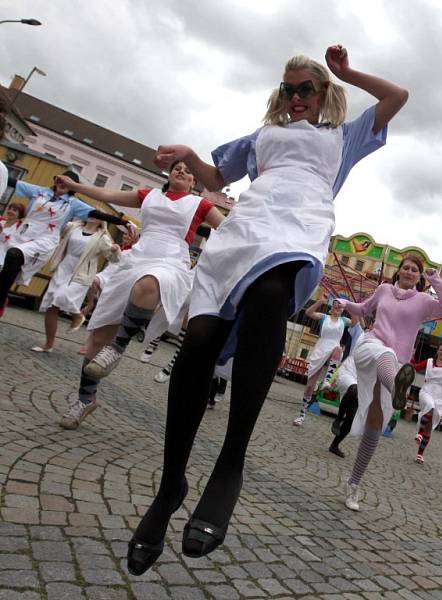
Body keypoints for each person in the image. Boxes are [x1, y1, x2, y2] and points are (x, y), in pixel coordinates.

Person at [126, 46, 407, 575]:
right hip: (245, 227)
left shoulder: (343, 137)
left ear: (324, 94)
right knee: (202, 339)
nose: (296, 97)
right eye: (288, 89)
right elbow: (213, 179)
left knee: (272, 296)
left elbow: (398, 96)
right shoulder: (261, 137)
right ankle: (170, 485)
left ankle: (230, 463)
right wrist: (188, 150)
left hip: (299, 223)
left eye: (307, 88)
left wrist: (346, 73)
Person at [54, 162, 224, 429]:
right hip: (137, 256)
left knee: (149, 284)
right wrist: (74, 186)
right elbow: (107, 195)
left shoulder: (199, 205)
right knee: (98, 335)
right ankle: (85, 400)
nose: (181, 171)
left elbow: (230, 227)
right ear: (169, 175)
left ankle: (119, 347)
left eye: (188, 170)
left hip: (170, 261)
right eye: (177, 167)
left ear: (194, 181)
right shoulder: (149, 195)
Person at [339, 254, 442, 510]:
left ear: (419, 276)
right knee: (385, 353)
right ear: (399, 271)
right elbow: (361, 309)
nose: (410, 272)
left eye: (415, 270)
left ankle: (354, 483)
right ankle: (397, 388)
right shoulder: (383, 290)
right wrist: (343, 302)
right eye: (406, 267)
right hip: (371, 346)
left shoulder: (423, 301)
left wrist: (436, 282)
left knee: (375, 424)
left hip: (396, 364)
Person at [0, 172, 131, 318]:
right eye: (59, 180)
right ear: (55, 180)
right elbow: (9, 180)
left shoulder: (73, 203)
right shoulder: (39, 192)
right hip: (23, 234)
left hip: (45, 240)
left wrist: (124, 222)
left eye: (66, 182)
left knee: (14, 255)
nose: (62, 183)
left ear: (72, 186)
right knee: (9, 263)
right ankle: (3, 296)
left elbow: (98, 214)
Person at [32, 218, 120, 352]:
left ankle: (77, 315)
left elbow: (114, 259)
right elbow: (60, 231)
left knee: (61, 296)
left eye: (96, 215)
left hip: (83, 272)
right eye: (91, 213)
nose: (92, 216)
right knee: (51, 306)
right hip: (65, 267)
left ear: (101, 221)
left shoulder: (102, 237)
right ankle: (48, 345)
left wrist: (115, 250)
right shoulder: (74, 227)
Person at [293, 297, 350, 426]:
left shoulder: (344, 321)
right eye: (335, 304)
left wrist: (352, 307)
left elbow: (356, 323)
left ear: (343, 310)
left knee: (338, 349)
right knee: (309, 387)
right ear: (331, 308)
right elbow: (308, 313)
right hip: (320, 348)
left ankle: (327, 381)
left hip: (334, 348)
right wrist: (320, 302)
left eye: (340, 306)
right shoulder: (324, 317)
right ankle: (301, 415)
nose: (337, 307)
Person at [411, 343, 442, 463]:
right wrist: (409, 358)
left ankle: (420, 454)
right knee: (430, 406)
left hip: (439, 396)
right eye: (441, 350)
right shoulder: (429, 362)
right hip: (426, 391)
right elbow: (415, 368)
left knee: (429, 427)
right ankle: (420, 433)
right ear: (437, 351)